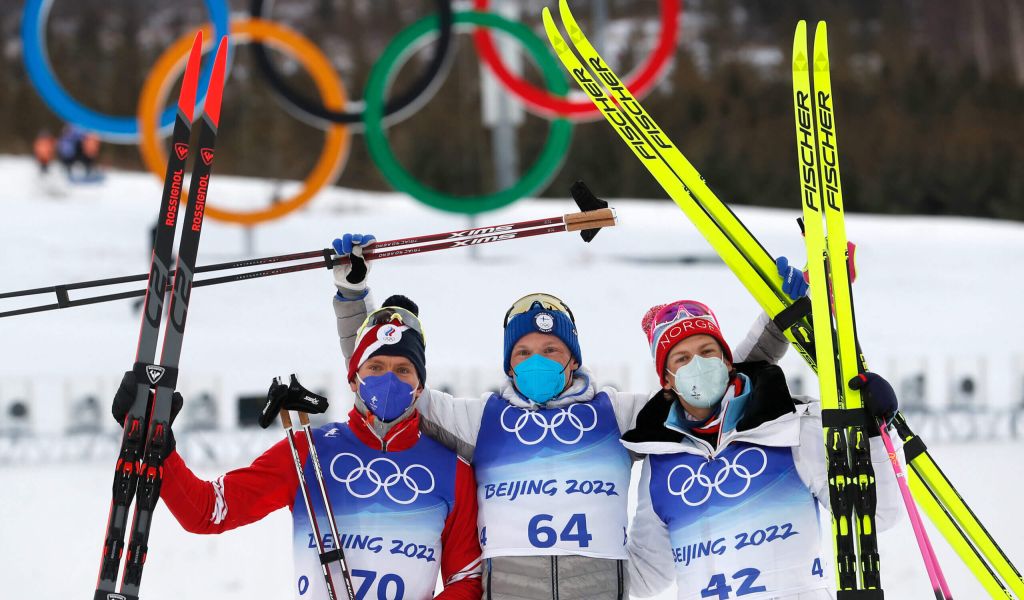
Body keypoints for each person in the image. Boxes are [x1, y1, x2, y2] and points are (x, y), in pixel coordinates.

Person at [329, 234, 806, 599]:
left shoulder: (616, 413)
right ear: (509, 363)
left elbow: (711, 385)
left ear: (572, 358)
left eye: (551, 348)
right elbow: (383, 378)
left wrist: (773, 326)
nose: (537, 358)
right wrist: (355, 300)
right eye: (525, 351)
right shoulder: (481, 419)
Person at [110, 297, 483, 600]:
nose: (389, 379)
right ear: (353, 378)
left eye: (403, 370)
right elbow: (209, 512)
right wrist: (160, 447)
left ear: (420, 387)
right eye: (377, 367)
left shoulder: (452, 471)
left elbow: (467, 580)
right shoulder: (308, 450)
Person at [621, 299, 903, 599]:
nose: (698, 366)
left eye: (707, 352)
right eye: (682, 359)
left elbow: (876, 515)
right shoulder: (660, 460)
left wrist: (874, 434)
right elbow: (646, 577)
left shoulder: (790, 427)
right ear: (666, 380)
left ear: (727, 362)